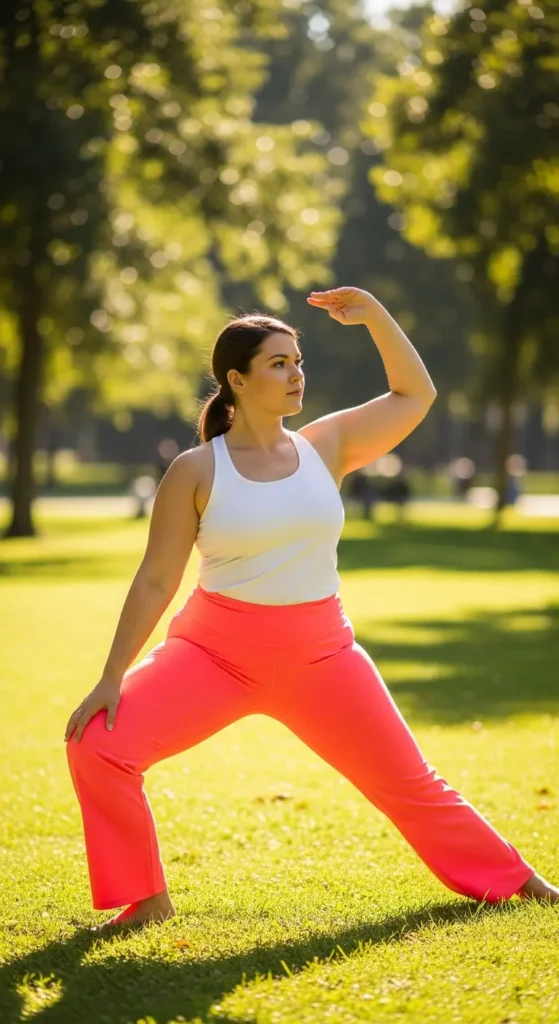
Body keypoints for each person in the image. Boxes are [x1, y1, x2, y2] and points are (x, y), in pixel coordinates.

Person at [64, 287, 558, 932]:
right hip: (214, 653)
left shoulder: (326, 447)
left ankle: (520, 882)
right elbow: (157, 580)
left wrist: (376, 316)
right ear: (236, 381)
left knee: (411, 784)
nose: (296, 374)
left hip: (322, 653)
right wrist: (110, 678)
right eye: (278, 363)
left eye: (298, 361)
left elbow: (416, 395)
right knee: (97, 747)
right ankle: (146, 899)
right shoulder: (195, 470)